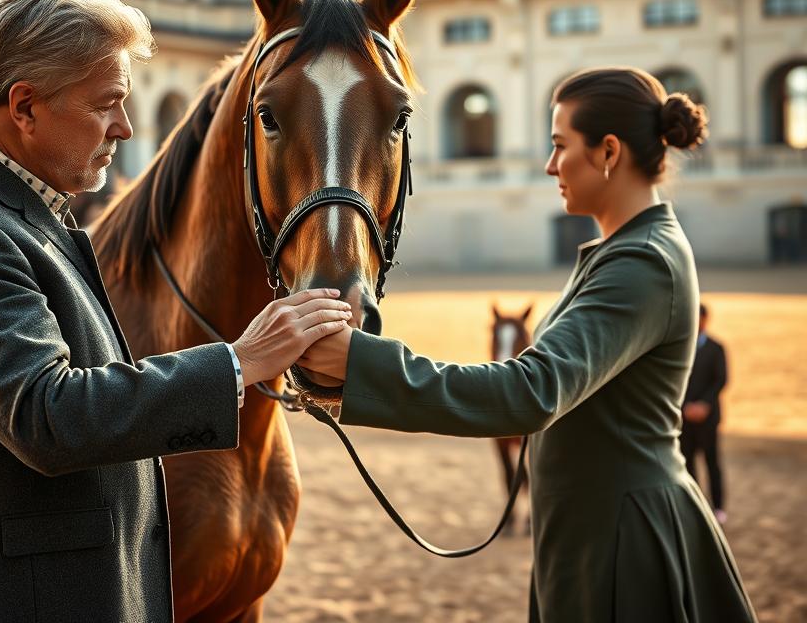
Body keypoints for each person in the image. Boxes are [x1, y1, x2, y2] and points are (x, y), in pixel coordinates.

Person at [0, 0, 352, 622]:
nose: (126, 128)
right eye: (108, 105)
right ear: (24, 107)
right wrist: (238, 362)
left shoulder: (12, 210)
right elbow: (48, 415)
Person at [300, 67, 757, 622]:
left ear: (608, 151)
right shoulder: (622, 250)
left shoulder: (643, 262)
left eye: (560, 146)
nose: (548, 164)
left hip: (625, 543)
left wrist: (362, 362)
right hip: (593, 534)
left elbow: (531, 390)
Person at [681, 302, 729, 524]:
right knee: (687, 464)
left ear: (705, 319)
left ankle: (718, 508)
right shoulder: (680, 348)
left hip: (708, 417)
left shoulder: (716, 347)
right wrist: (685, 406)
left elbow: (721, 380)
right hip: (684, 416)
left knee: (712, 463)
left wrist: (703, 405)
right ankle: (695, 507)